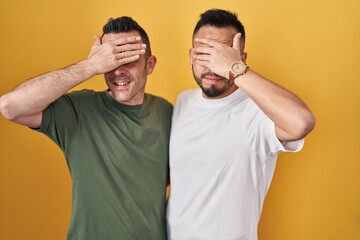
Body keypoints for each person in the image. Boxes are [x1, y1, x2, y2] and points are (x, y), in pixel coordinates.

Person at [0, 16, 172, 240]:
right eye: (111, 59)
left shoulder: (165, 112)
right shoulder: (80, 110)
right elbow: (10, 106)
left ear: (149, 65)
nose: (117, 70)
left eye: (127, 58)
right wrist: (90, 65)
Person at [166, 9, 315, 240]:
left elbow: (302, 122)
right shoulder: (183, 102)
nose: (213, 66)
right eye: (205, 54)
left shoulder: (256, 112)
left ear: (240, 59)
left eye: (222, 56)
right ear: (191, 56)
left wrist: (234, 70)